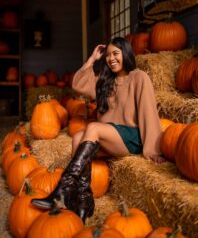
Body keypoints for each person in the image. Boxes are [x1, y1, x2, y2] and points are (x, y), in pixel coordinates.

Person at [31, 37, 165, 223]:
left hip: (130, 137)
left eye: (115, 53)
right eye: (108, 55)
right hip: (109, 136)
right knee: (78, 137)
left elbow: (149, 112)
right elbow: (77, 84)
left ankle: (62, 191)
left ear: (125, 53)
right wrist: (92, 59)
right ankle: (84, 201)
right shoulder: (105, 82)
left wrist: (154, 149)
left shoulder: (138, 77)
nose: (111, 58)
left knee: (92, 127)